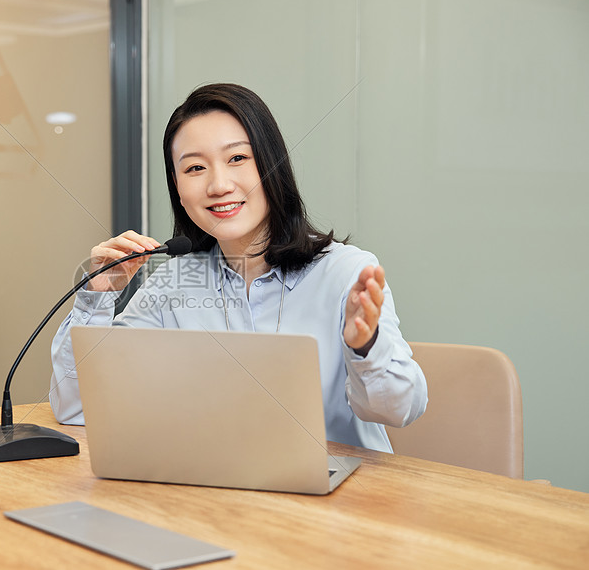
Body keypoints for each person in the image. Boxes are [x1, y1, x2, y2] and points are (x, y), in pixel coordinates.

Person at [50, 83, 426, 452]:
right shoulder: (171, 284)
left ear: (272, 166)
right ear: (179, 192)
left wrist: (366, 347)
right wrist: (97, 298)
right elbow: (77, 408)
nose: (218, 185)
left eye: (237, 159)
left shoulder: (347, 272)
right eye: (195, 168)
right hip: (214, 493)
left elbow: (398, 410)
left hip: (339, 501)